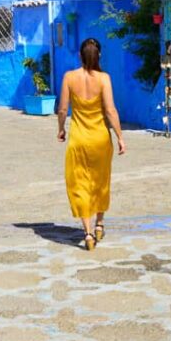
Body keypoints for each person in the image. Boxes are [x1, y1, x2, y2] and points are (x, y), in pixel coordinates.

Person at [57, 38, 126, 251]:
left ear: (79, 55)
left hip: (78, 139)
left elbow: (62, 109)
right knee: (100, 181)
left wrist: (61, 129)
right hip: (100, 140)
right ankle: (99, 224)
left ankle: (87, 234)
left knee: (80, 183)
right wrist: (120, 137)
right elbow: (110, 110)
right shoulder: (104, 79)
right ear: (100, 56)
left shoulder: (69, 77)